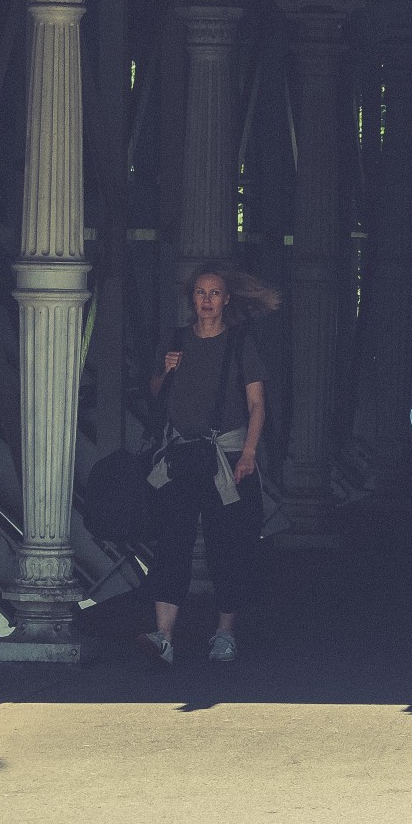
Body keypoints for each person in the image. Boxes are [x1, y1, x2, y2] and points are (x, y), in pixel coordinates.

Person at [136, 263, 279, 666]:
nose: (207, 301)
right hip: (181, 457)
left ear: (226, 299)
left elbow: (257, 405)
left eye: (215, 293)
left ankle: (225, 634)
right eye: (201, 293)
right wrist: (165, 371)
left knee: (226, 549)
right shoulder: (177, 340)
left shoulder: (240, 343)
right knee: (172, 544)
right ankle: (163, 635)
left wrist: (249, 455)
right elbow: (154, 392)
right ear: (191, 299)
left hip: (227, 461)